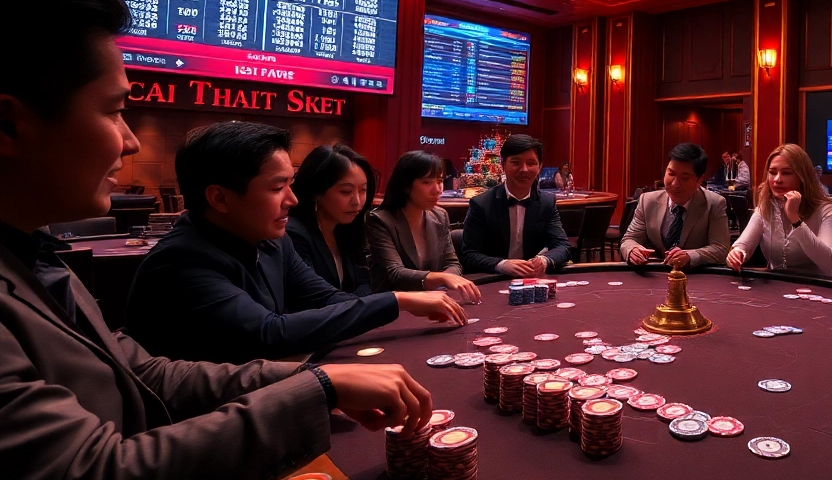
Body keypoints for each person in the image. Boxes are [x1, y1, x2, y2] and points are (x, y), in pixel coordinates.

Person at [0, 0, 432, 480]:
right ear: (9, 125)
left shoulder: (36, 259)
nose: (129, 142)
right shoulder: (180, 260)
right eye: (114, 110)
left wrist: (317, 378)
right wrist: (320, 386)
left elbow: (145, 371)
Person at [125, 122, 469, 364]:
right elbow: (270, 333)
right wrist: (396, 300)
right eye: (277, 188)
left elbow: (328, 298)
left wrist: (400, 304)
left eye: (291, 184)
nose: (292, 200)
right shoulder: (182, 261)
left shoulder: (272, 241)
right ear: (220, 198)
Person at [366, 150, 482, 298]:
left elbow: (452, 263)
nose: (437, 190)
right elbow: (394, 273)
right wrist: (441, 278)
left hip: (433, 299)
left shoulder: (440, 216)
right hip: (394, 306)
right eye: (426, 182)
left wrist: (447, 277)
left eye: (440, 181)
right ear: (405, 186)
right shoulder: (380, 220)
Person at [460, 134, 570, 275]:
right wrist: (501, 264)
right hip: (493, 280)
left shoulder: (546, 203)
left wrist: (544, 260)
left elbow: (563, 246)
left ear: (540, 166)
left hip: (533, 280)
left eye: (531, 163)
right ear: (503, 164)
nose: (524, 169)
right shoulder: (481, 204)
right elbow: (469, 254)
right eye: (516, 162)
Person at [727, 144, 832, 278]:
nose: (777, 179)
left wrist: (795, 219)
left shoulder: (825, 210)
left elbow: (828, 262)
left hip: (820, 287)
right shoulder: (765, 207)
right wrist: (737, 253)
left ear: (802, 176)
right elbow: (742, 245)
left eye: (786, 173)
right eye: (772, 172)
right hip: (779, 287)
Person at [621, 143, 731, 268]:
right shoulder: (647, 201)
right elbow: (629, 239)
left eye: (684, 178)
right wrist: (632, 250)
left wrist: (691, 256)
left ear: (699, 180)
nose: (674, 184)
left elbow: (721, 250)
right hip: (654, 277)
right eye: (671, 174)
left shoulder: (714, 204)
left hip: (694, 278)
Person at [286, 144, 377, 295]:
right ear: (316, 192)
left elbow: (365, 282)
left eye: (363, 190)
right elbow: (315, 296)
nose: (357, 201)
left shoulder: (346, 228)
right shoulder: (295, 235)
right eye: (346, 191)